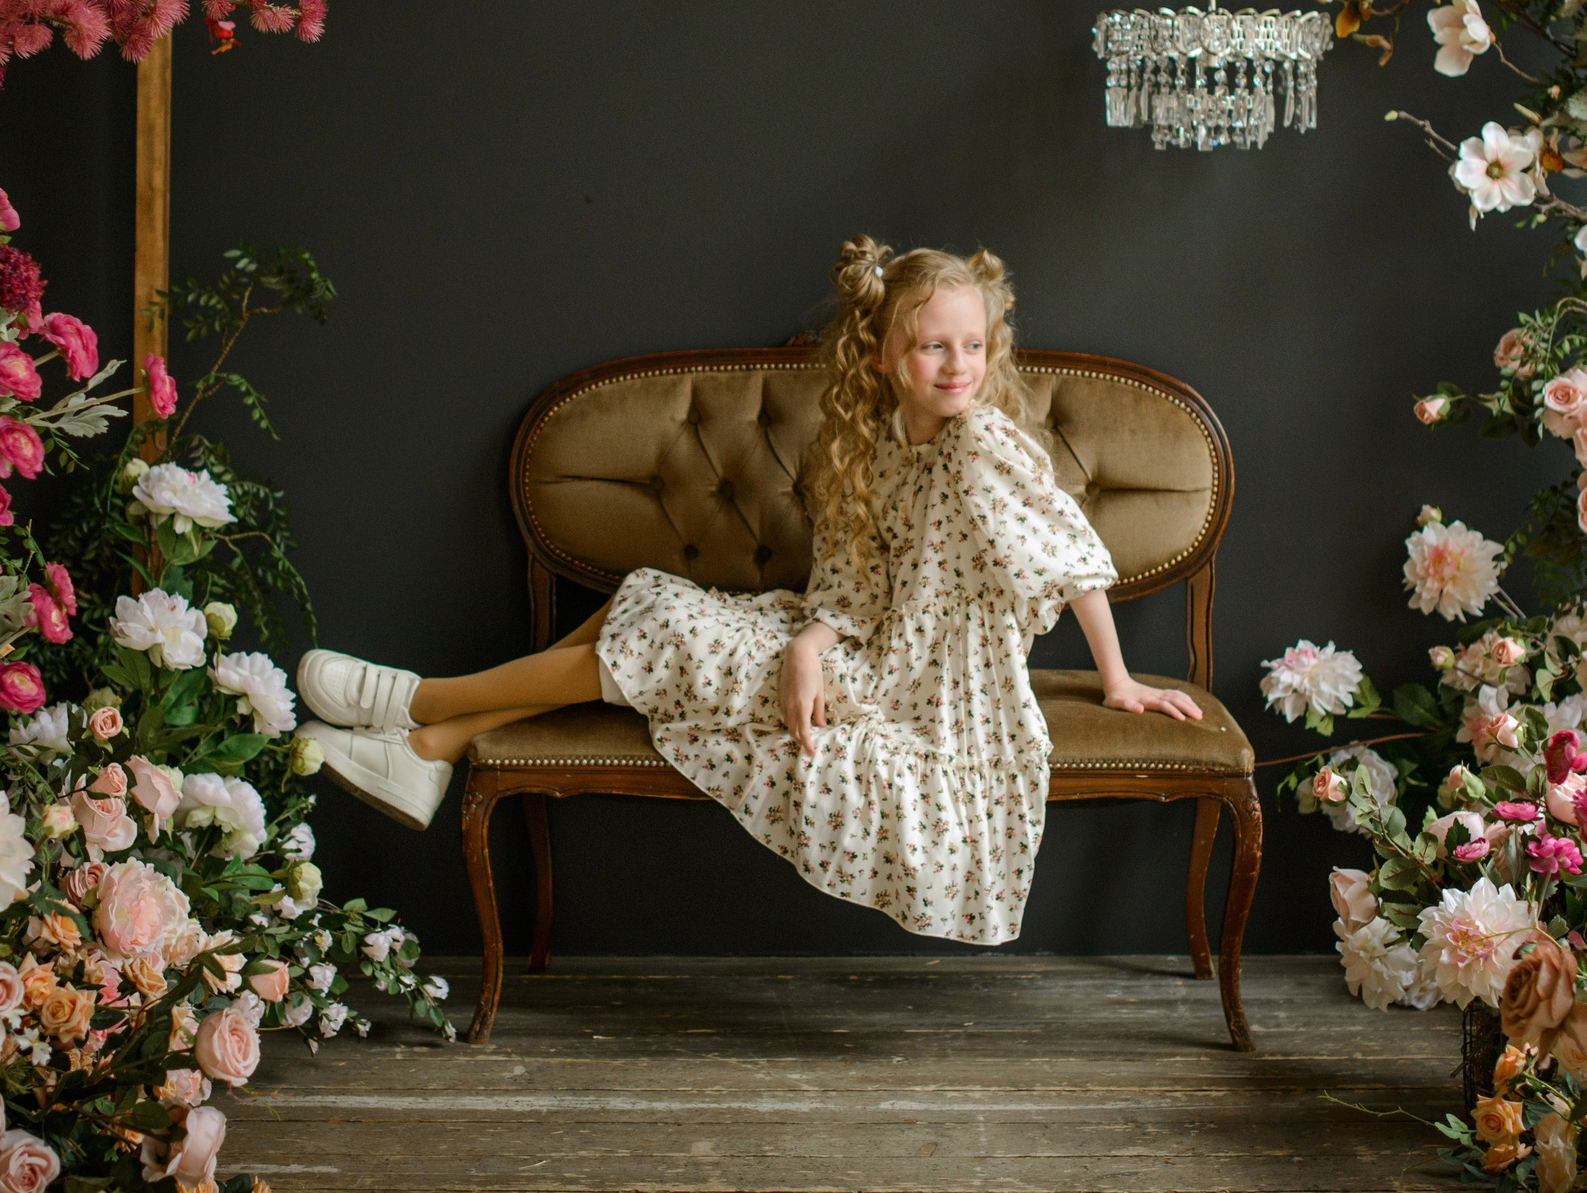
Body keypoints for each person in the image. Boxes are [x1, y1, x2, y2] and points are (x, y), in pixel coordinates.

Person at [294, 237, 1203, 943]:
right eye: (932, 346)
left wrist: (1118, 680)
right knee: (647, 602)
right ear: (885, 354)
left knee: (662, 630)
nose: (958, 365)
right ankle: (431, 741)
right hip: (860, 647)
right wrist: (809, 642)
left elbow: (1070, 553)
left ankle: (422, 710)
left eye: (972, 345)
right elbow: (852, 585)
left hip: (930, 689)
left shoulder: (982, 446)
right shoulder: (880, 441)